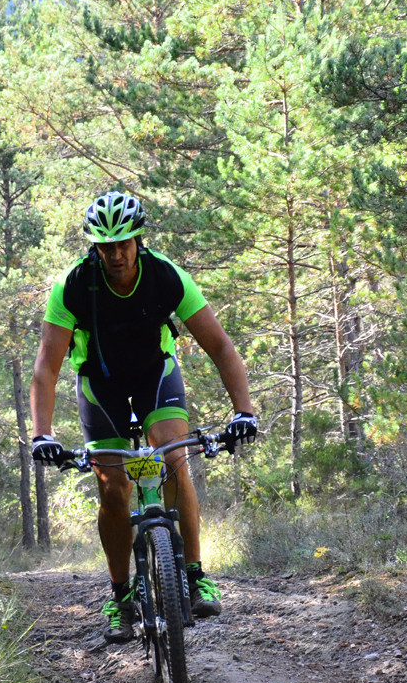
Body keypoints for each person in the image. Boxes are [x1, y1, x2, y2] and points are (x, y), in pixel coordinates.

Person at [30, 191, 257, 643]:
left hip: (156, 374)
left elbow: (222, 347)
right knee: (114, 489)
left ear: (139, 240)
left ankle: (194, 576)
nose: (115, 255)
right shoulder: (72, 286)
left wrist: (243, 411)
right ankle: (120, 597)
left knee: (174, 460)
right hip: (102, 385)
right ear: (93, 246)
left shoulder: (166, 276)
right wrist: (42, 434)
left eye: (124, 244)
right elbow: (46, 368)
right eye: (105, 246)